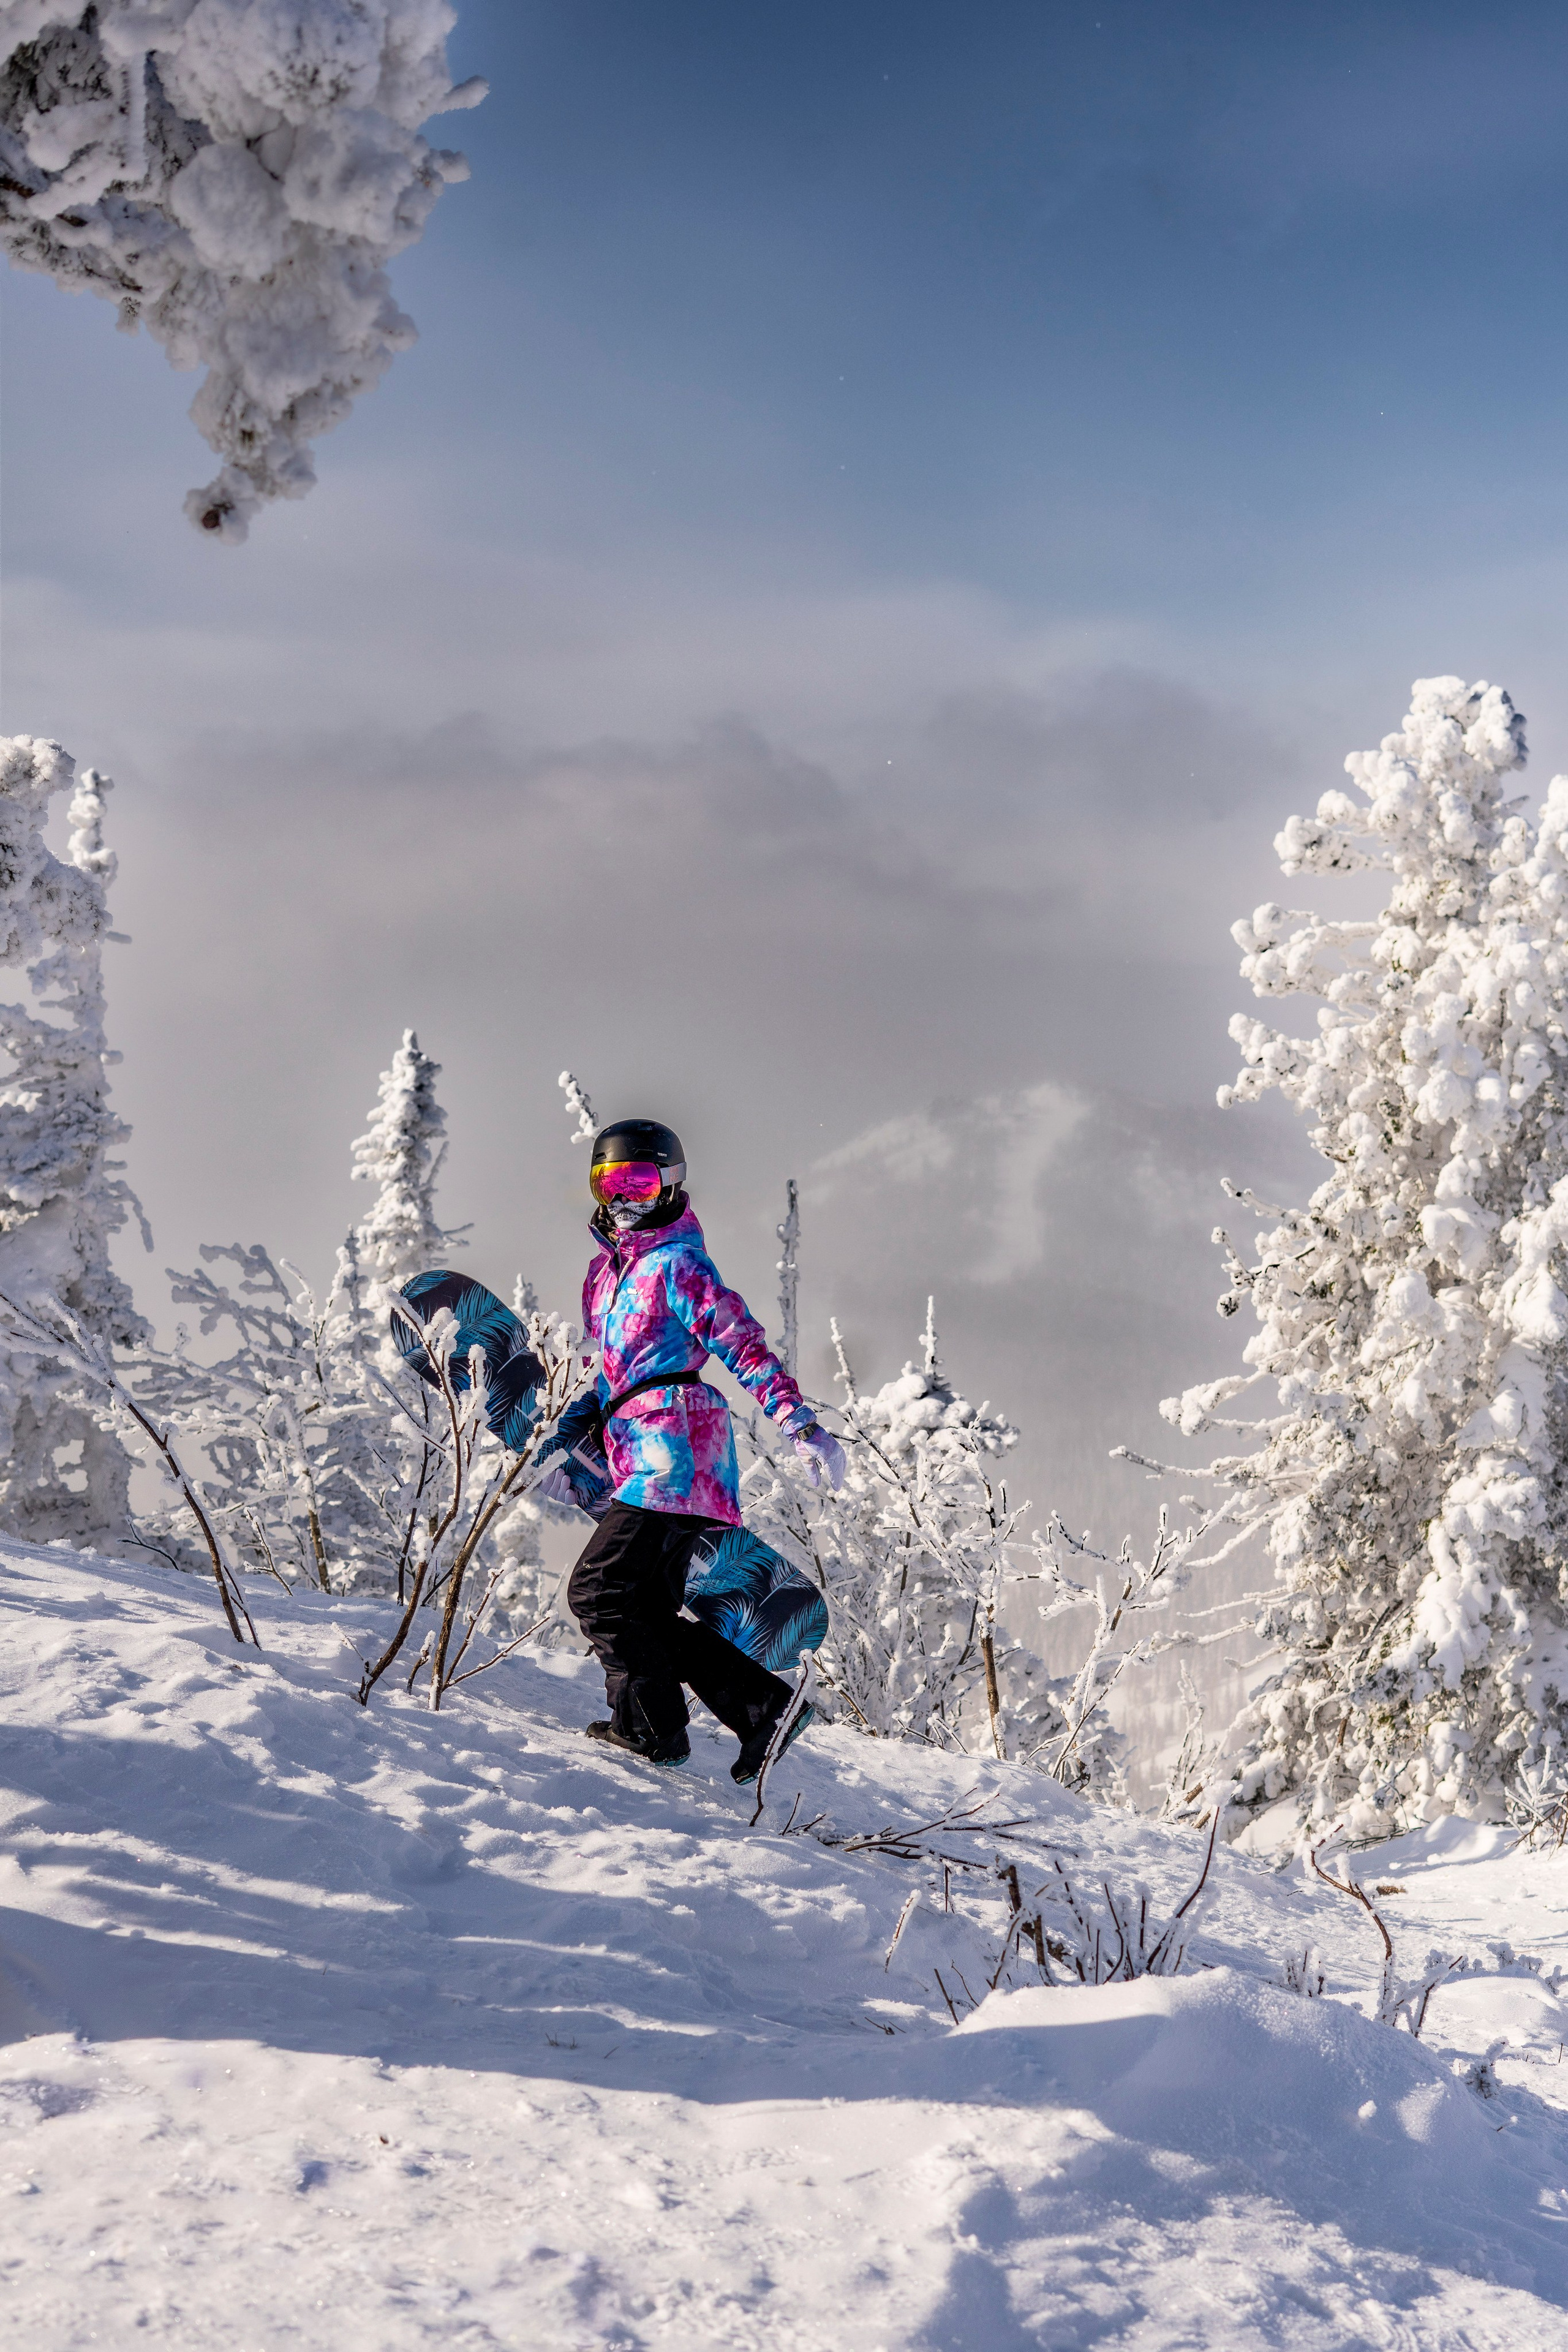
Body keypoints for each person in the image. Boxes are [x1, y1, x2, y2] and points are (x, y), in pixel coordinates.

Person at [559, 1117, 845, 1782]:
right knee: (642, 1609)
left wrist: (799, 1425)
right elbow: (607, 1373)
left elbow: (740, 1344)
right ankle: (759, 1712)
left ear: (670, 1185)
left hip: (676, 1454)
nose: (623, 1197)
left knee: (599, 1593)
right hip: (642, 1452)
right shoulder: (603, 1276)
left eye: (639, 1180)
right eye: (609, 1182)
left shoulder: (678, 1264)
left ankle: (654, 1730)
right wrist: (570, 1433)